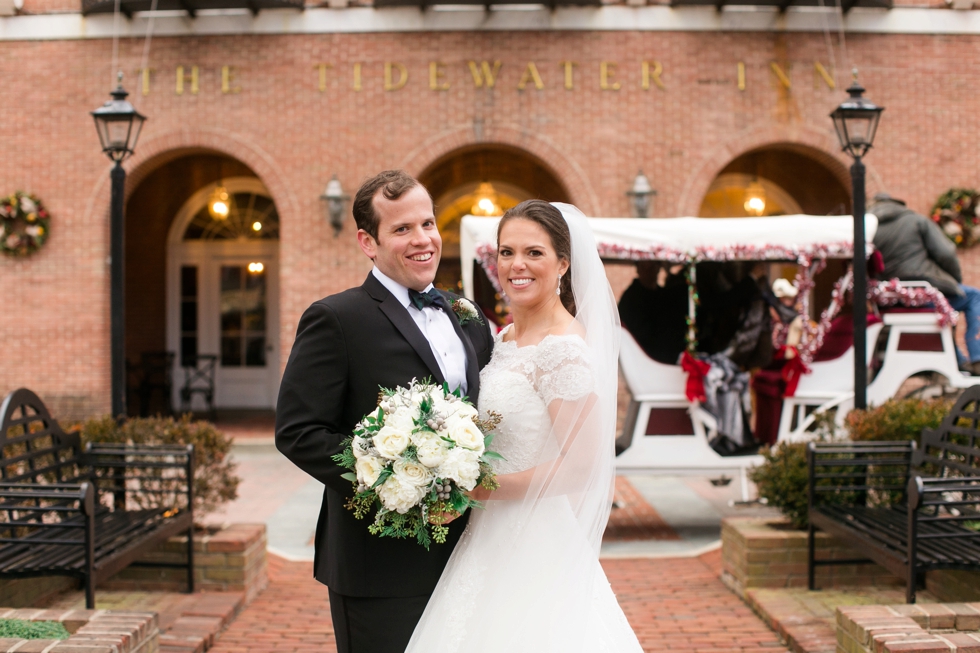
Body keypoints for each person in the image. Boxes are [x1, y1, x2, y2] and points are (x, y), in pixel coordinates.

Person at [406, 201, 642, 652]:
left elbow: (579, 468)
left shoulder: (564, 350)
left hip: (534, 541)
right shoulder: (504, 339)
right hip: (485, 535)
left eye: (534, 253)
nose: (517, 265)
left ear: (563, 264)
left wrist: (477, 486)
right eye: (506, 251)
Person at [275, 170, 495, 653]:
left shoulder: (467, 315)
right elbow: (298, 432)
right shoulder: (336, 318)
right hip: (377, 563)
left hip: (468, 554)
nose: (423, 240)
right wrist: (398, 475)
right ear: (367, 242)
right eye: (402, 230)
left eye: (428, 224)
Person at [871, 192, 980, 373]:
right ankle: (977, 358)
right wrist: (954, 282)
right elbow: (946, 253)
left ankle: (959, 361)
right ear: (899, 204)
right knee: (974, 297)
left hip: (890, 299)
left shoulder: (868, 228)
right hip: (924, 291)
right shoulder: (915, 220)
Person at [618, 260, 688, 364]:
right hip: (642, 358)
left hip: (668, 355)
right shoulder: (631, 298)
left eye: (651, 267)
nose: (648, 272)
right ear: (638, 269)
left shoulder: (664, 295)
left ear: (658, 268)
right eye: (643, 267)